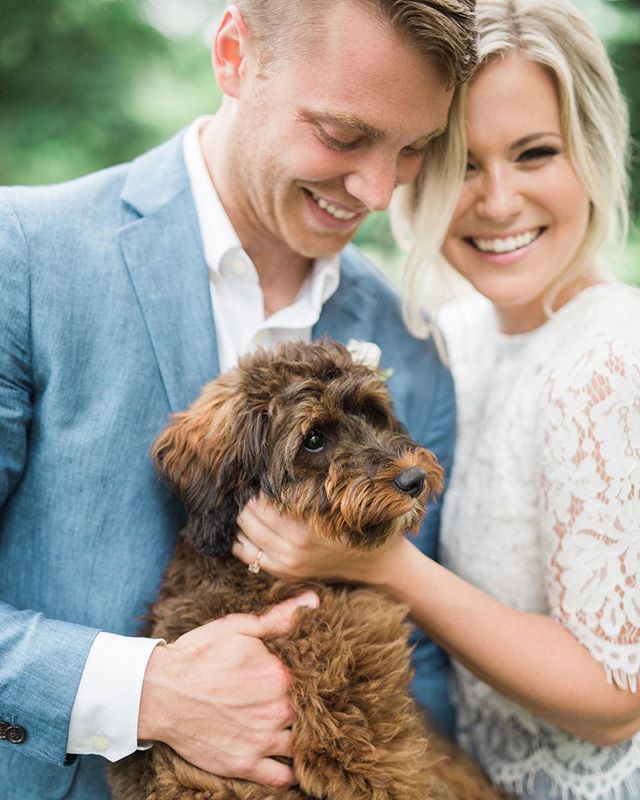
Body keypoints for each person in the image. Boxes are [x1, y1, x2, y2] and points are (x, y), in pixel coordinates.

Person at [0, 1, 478, 798]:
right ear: (233, 55)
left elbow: (417, 669)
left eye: (415, 149)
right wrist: (143, 693)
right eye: (343, 134)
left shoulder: (413, 349)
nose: (378, 190)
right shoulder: (25, 259)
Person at [234, 1, 640, 798]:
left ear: (591, 152)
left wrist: (386, 565)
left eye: (534, 154)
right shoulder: (448, 339)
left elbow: (618, 701)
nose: (496, 201)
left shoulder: (612, 357)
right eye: (458, 163)